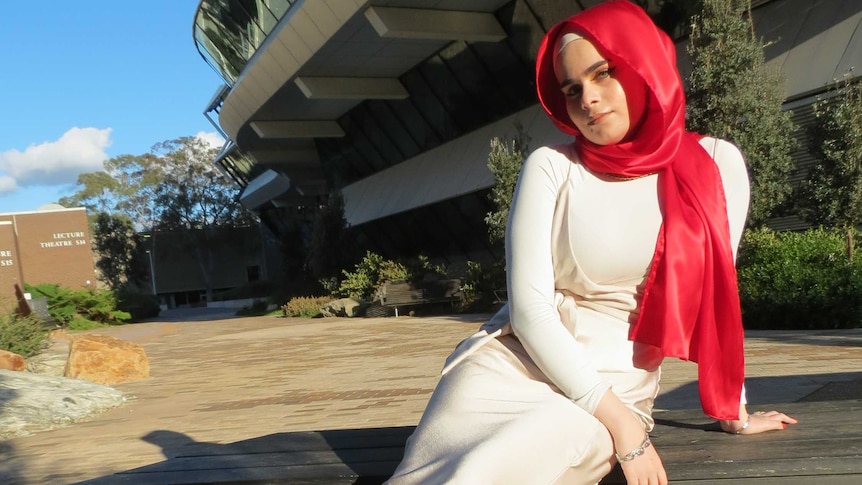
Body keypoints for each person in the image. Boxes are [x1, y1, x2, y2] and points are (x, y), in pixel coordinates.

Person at [386, 1, 797, 484]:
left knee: (492, 467)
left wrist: (734, 410)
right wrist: (626, 429)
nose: (588, 99)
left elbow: (716, 298)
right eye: (572, 88)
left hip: (615, 386)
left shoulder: (715, 164)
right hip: (510, 367)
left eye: (604, 74)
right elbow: (530, 312)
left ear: (644, 66)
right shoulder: (551, 166)